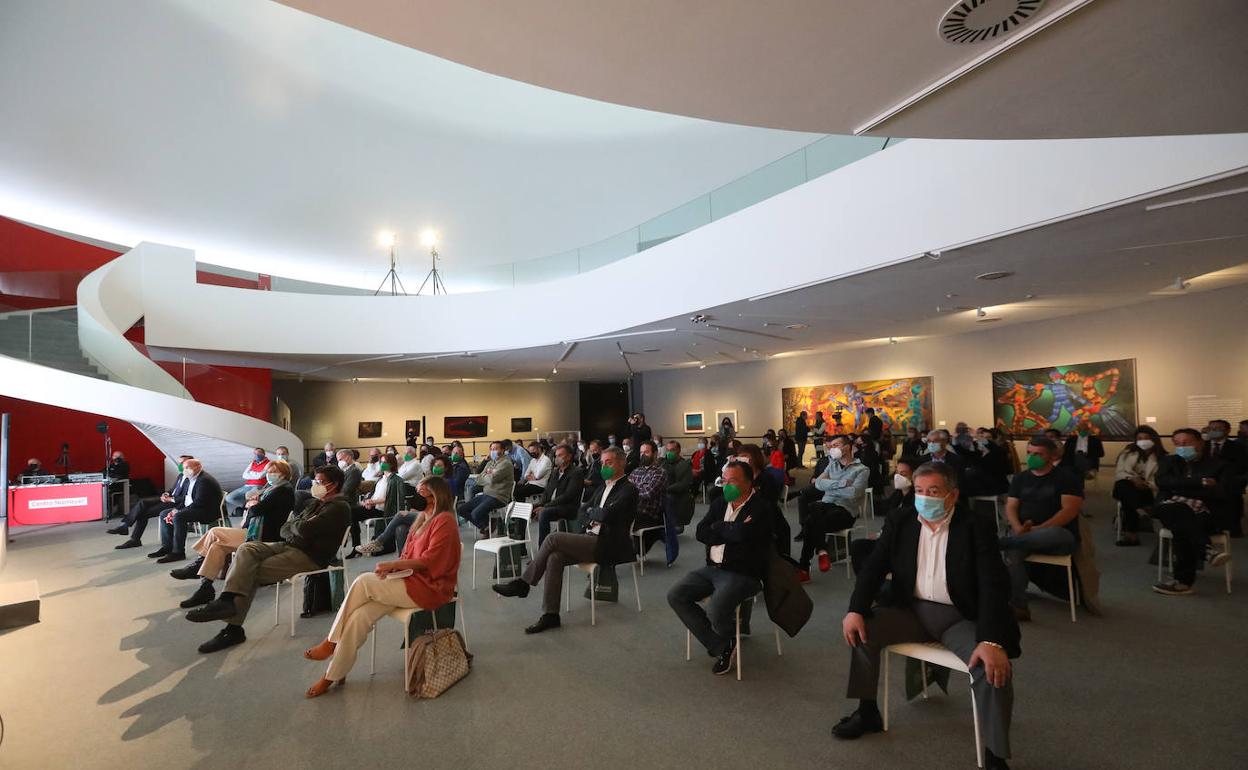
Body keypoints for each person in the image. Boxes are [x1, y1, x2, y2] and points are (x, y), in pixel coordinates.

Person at [834, 461, 1018, 770]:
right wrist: (855, 610)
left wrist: (990, 640)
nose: (924, 497)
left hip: (960, 617)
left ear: (952, 495)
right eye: (919, 491)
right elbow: (874, 568)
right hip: (912, 610)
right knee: (864, 629)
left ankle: (995, 754)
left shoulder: (975, 526)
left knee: (990, 665)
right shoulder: (901, 520)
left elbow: (992, 585)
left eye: (933, 491)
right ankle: (867, 712)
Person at [303, 475, 462, 697]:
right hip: (408, 581)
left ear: (434, 496)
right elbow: (408, 554)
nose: (413, 495)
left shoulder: (444, 521)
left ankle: (331, 642)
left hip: (429, 588)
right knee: (359, 617)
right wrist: (395, 569)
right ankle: (332, 674)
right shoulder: (421, 519)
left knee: (363, 581)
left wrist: (394, 564)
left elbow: (431, 561)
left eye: (419, 492)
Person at [185, 464, 352, 653]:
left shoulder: (339, 507)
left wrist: (297, 525)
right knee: (247, 549)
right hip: (291, 545)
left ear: (334, 484)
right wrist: (298, 525)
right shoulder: (317, 503)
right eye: (315, 481)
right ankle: (226, 599)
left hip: (310, 556)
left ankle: (233, 629)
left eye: (320, 482)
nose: (315, 485)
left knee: (250, 572)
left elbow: (303, 528)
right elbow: (286, 527)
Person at [491, 447, 637, 633]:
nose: (604, 466)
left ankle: (523, 584)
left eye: (609, 462)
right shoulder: (603, 486)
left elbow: (608, 514)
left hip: (610, 545)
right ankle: (550, 615)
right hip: (591, 539)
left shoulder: (628, 489)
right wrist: (593, 516)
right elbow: (582, 511)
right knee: (555, 557)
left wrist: (594, 514)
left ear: (621, 463)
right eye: (602, 463)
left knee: (553, 538)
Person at [667, 461, 773, 675]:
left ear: (748, 483)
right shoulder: (719, 503)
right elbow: (701, 532)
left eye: (732, 481)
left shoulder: (761, 507)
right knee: (676, 595)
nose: (726, 486)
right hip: (712, 568)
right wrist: (729, 529)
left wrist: (720, 528)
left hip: (744, 573)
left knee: (715, 609)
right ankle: (721, 645)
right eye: (724, 481)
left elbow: (744, 536)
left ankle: (722, 643)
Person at [173, 459, 296, 608]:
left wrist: (253, 504)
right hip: (254, 530)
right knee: (217, 547)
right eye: (268, 472)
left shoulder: (283, 491)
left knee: (214, 531)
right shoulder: (272, 488)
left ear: (283, 474)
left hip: (263, 536)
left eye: (273, 472)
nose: (269, 475)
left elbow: (255, 510)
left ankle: (197, 565)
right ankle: (205, 588)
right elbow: (252, 506)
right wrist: (253, 504)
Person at [1000, 437, 1082, 621]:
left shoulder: (1066, 478)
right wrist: (1017, 527)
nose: (1032, 457)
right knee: (1014, 551)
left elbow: (1069, 510)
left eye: (1038, 454)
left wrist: (1038, 529)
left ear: (1051, 456)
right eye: (1029, 453)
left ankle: (1000, 543)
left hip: (1058, 535)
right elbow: (1011, 506)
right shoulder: (1021, 478)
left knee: (1046, 534)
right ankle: (1019, 606)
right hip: (1024, 535)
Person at [1152, 428, 1232, 596]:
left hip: (1204, 513)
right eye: (1178, 443)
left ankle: (1183, 582)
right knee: (1180, 512)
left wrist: (1180, 488)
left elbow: (1220, 492)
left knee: (1182, 525)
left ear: (1200, 442)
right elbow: (1163, 482)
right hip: (1167, 507)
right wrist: (1200, 482)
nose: (1182, 447)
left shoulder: (1218, 465)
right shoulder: (1169, 461)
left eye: (1186, 442)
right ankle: (1206, 551)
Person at [797, 435, 869, 581]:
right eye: (831, 446)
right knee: (815, 510)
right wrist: (842, 484)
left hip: (845, 511)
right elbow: (818, 484)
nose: (832, 449)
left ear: (847, 447)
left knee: (811, 520)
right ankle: (822, 551)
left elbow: (854, 493)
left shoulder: (862, 469)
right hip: (825, 508)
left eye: (836, 445)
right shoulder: (832, 464)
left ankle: (804, 568)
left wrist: (829, 485)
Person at [150, 459, 225, 564]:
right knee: (165, 513)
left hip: (206, 510)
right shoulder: (189, 479)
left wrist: (177, 512)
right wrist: (174, 510)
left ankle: (178, 552)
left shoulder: (204, 480)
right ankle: (167, 547)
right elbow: (185, 500)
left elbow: (199, 502)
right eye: (184, 468)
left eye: (188, 468)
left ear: (198, 467)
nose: (185, 470)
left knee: (179, 517)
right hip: (193, 507)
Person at [110, 454, 193, 548]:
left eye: (182, 463)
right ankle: (126, 528)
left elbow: (186, 498)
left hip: (177, 504)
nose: (180, 465)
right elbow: (172, 490)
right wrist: (166, 494)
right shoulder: (181, 475)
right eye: (179, 463)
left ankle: (133, 537)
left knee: (142, 513)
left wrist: (170, 499)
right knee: (142, 502)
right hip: (169, 499)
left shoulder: (191, 478)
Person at [1112, 426, 1165, 546]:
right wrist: (1133, 479)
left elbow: (1161, 480)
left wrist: (1146, 484)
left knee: (1128, 499)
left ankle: (1132, 536)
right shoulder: (1127, 453)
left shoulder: (1162, 457)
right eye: (1139, 438)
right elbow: (1120, 472)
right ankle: (1141, 511)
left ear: (1154, 439)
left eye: (1146, 438)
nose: (1143, 441)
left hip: (1148, 490)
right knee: (1123, 484)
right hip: (1127, 485)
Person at [456, 441, 513, 535]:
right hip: (487, 494)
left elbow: (492, 479)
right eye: (491, 449)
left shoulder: (506, 464)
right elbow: (478, 478)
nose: (493, 451)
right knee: (462, 509)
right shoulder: (490, 463)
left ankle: (487, 527)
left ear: (503, 450)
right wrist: (488, 475)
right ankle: (486, 525)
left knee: (475, 513)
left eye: (496, 449)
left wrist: (487, 476)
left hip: (498, 497)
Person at [534, 444, 586, 545]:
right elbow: (547, 491)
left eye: (560, 455)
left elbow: (568, 496)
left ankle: (543, 548)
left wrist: (545, 507)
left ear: (569, 456)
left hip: (568, 507)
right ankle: (520, 547)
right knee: (526, 508)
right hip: (552, 505)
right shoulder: (555, 472)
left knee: (544, 513)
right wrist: (540, 504)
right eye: (556, 455)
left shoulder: (576, 472)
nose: (556, 458)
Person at [629, 441, 670, 557]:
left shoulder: (660, 473)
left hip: (648, 514)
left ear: (655, 453)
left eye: (646, 452)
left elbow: (648, 493)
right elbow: (626, 490)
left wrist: (633, 489)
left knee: (616, 521)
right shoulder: (636, 471)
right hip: (633, 511)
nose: (643, 455)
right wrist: (637, 489)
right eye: (641, 452)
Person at [661, 440, 694, 566]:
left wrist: (666, 489)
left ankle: (671, 526)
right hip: (664, 491)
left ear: (678, 451)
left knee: (667, 500)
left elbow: (683, 484)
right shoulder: (663, 463)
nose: (670, 453)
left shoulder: (684, 465)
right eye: (668, 450)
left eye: (672, 450)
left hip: (676, 494)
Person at [962, 426, 1011, 498]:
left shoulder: (998, 451)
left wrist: (979, 437)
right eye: (982, 437)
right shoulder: (978, 451)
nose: (984, 440)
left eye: (988, 438)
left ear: (994, 440)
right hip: (979, 482)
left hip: (993, 485)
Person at [224, 448, 272, 518]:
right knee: (229, 498)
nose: (256, 455)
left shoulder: (269, 463)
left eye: (258, 453)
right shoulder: (253, 463)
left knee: (250, 496)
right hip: (247, 485)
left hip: (258, 486)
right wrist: (255, 474)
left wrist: (251, 473)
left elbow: (260, 476)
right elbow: (244, 475)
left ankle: (249, 510)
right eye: (255, 454)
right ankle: (246, 507)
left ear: (263, 454)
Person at [105, 450, 131, 518]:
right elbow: (104, 472)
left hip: (120, 486)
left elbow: (121, 474)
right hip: (109, 486)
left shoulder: (125, 465)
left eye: (119, 456)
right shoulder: (110, 465)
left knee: (109, 493)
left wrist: (113, 477)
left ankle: (112, 511)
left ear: (122, 457)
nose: (117, 458)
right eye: (115, 456)